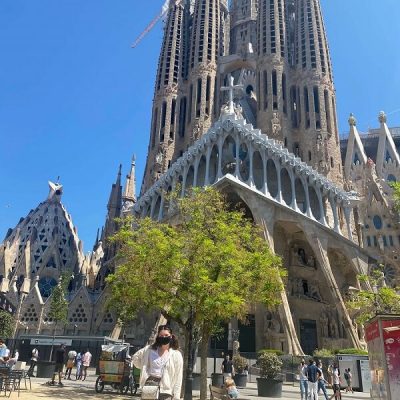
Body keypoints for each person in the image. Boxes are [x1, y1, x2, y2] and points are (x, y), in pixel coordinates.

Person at [132, 324, 183, 400]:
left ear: (171, 336)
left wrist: (176, 396)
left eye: (166, 335)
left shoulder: (176, 355)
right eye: (161, 335)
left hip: (166, 390)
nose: (164, 337)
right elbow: (135, 358)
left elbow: (178, 377)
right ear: (158, 336)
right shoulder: (149, 350)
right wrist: (144, 367)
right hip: (149, 388)